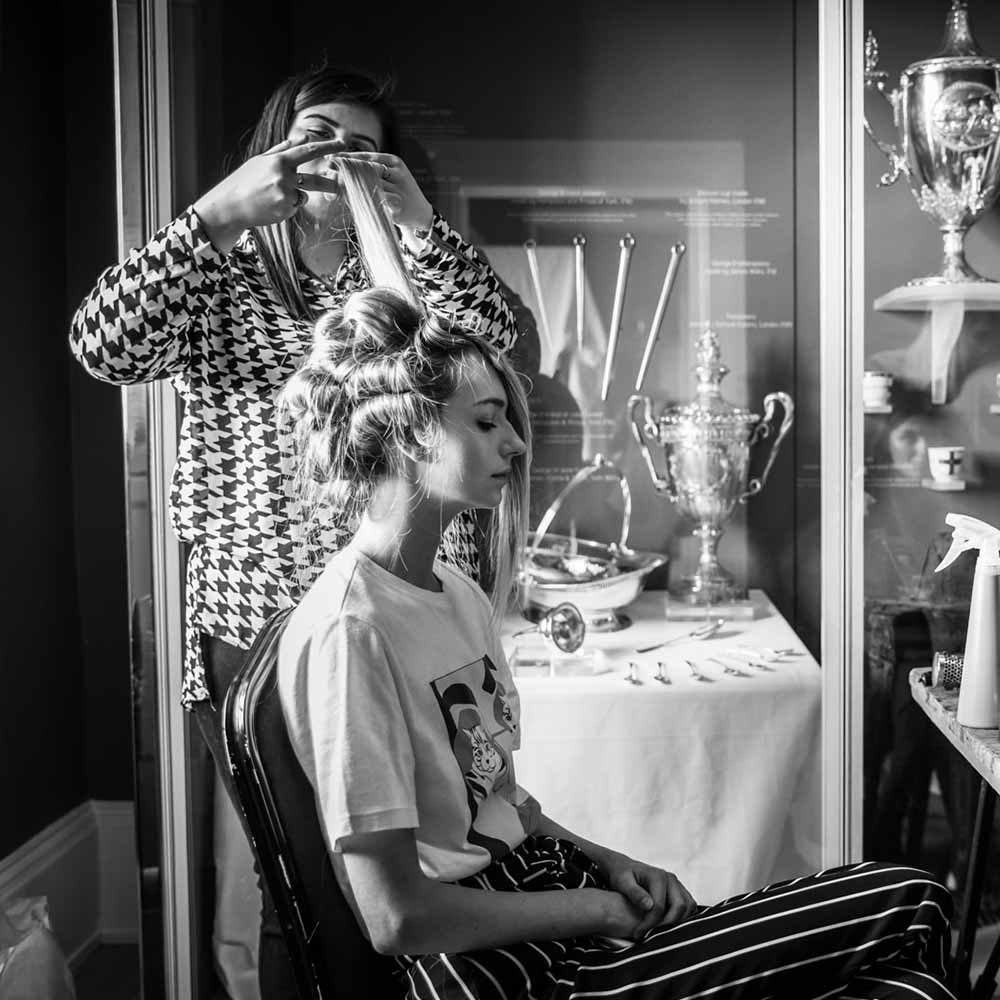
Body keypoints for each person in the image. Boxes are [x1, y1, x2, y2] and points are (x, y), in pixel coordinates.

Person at [276, 285, 957, 1000]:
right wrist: (602, 908)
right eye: (486, 422)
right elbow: (397, 918)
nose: (514, 441)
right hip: (503, 972)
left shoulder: (454, 592)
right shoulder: (351, 632)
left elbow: (501, 805)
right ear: (413, 434)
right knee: (914, 896)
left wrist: (608, 863)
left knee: (914, 990)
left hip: (548, 912)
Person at [68, 65, 520, 998]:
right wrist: (214, 214)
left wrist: (422, 226)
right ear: (274, 146)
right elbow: (100, 344)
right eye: (316, 133)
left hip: (410, 620)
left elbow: (498, 348)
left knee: (445, 857)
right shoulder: (219, 275)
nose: (333, 158)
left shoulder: (396, 283)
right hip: (266, 629)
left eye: (359, 144)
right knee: (305, 898)